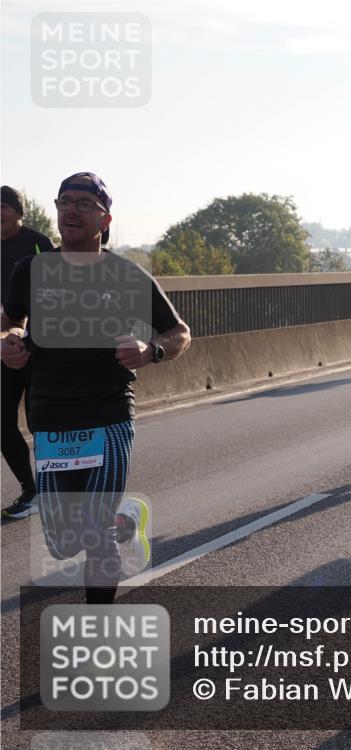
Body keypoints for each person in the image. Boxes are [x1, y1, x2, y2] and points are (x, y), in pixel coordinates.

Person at [1, 172, 191, 602]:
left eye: (86, 204)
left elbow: (178, 331)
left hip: (108, 416)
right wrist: (7, 343)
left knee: (93, 533)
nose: (72, 210)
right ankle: (123, 521)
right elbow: (9, 322)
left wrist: (151, 351)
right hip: (50, 418)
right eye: (65, 201)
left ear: (105, 220)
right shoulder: (30, 270)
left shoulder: (125, 275)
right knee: (65, 542)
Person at [1, 186, 55, 518]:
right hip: (6, 347)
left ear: (18, 212)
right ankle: (31, 491)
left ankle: (55, 489)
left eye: (4, 208)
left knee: (42, 423)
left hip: (39, 347)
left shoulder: (39, 244)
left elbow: (61, 292)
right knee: (2, 423)